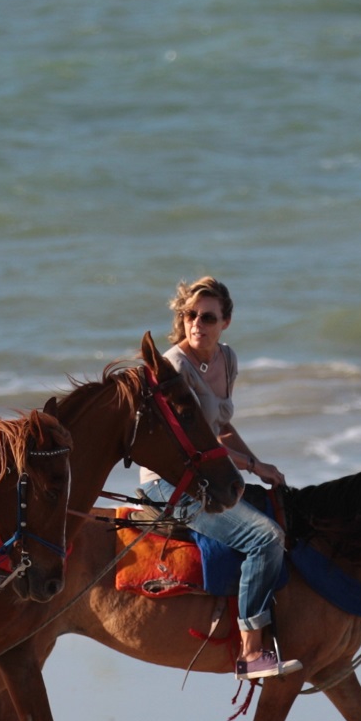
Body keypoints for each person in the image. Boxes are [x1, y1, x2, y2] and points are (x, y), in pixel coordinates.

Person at [141, 276, 300, 681]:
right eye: (190, 315)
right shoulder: (176, 366)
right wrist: (248, 467)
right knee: (264, 537)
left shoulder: (227, 359)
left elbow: (221, 429)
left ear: (225, 322)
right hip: (170, 480)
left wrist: (257, 464)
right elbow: (192, 446)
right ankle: (251, 651)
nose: (197, 324)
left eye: (208, 317)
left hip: (207, 473)